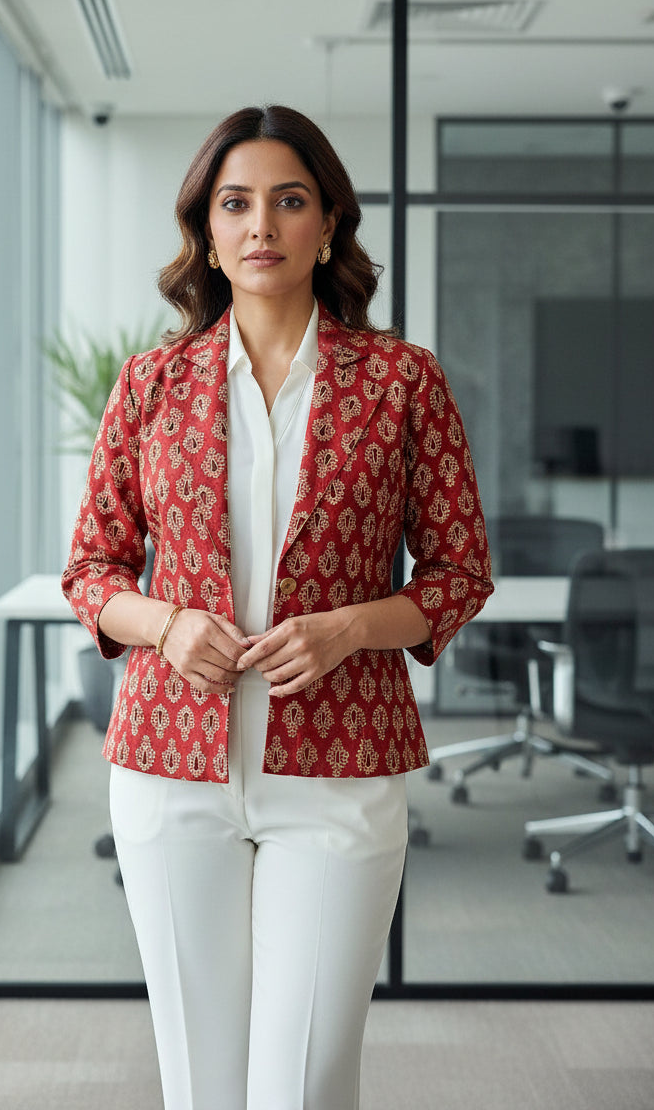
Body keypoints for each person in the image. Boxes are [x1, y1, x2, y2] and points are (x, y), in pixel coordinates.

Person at [61, 104, 493, 1110]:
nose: (262, 225)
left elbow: (458, 572)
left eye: (288, 202)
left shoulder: (398, 382)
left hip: (338, 775)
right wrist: (165, 623)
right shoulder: (151, 385)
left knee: (302, 1082)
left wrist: (350, 628)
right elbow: (91, 570)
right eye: (236, 203)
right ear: (207, 234)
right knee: (201, 1086)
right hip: (170, 773)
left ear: (328, 224)